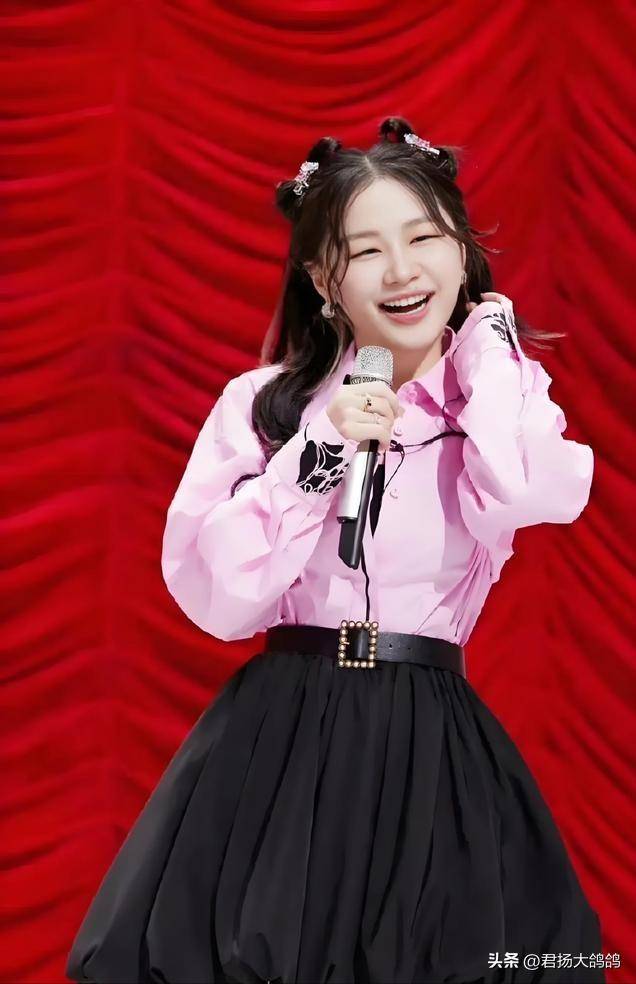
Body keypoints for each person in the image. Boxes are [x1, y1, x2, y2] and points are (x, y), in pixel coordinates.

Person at [65, 116, 606, 984]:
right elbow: (218, 597)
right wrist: (319, 452)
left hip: (427, 741)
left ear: (462, 253)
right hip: (281, 741)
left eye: (424, 239)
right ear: (324, 280)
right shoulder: (265, 406)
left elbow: (531, 491)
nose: (402, 271)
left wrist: (492, 352)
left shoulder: (497, 408)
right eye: (365, 251)